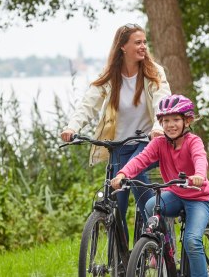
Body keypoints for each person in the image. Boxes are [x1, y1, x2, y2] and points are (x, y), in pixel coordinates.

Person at [61, 23, 171, 240]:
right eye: (137, 43)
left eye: (144, 42)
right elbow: (89, 103)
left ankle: (157, 234)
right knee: (115, 203)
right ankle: (120, 261)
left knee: (137, 174)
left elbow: (163, 102)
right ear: (123, 47)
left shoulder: (154, 72)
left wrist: (158, 129)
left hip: (147, 141)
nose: (143, 47)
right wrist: (72, 126)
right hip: (118, 145)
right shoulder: (110, 75)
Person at [111, 94, 209, 277]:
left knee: (192, 241)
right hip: (175, 194)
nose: (170, 125)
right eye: (165, 120)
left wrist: (199, 175)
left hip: (198, 198)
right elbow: (140, 160)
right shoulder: (159, 143)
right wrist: (122, 174)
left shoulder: (193, 142)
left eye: (176, 120)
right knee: (151, 205)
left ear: (187, 121)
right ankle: (165, 246)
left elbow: (200, 158)